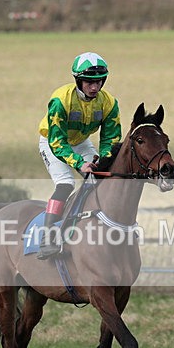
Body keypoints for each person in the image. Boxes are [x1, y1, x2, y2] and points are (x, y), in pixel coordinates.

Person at [36, 52, 122, 259]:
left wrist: (103, 159)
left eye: (99, 82)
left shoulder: (109, 102)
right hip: (53, 142)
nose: (95, 87)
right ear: (77, 80)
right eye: (89, 82)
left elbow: (110, 139)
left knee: (99, 179)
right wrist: (78, 163)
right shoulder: (60, 100)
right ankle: (47, 238)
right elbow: (57, 142)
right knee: (65, 184)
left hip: (81, 141)